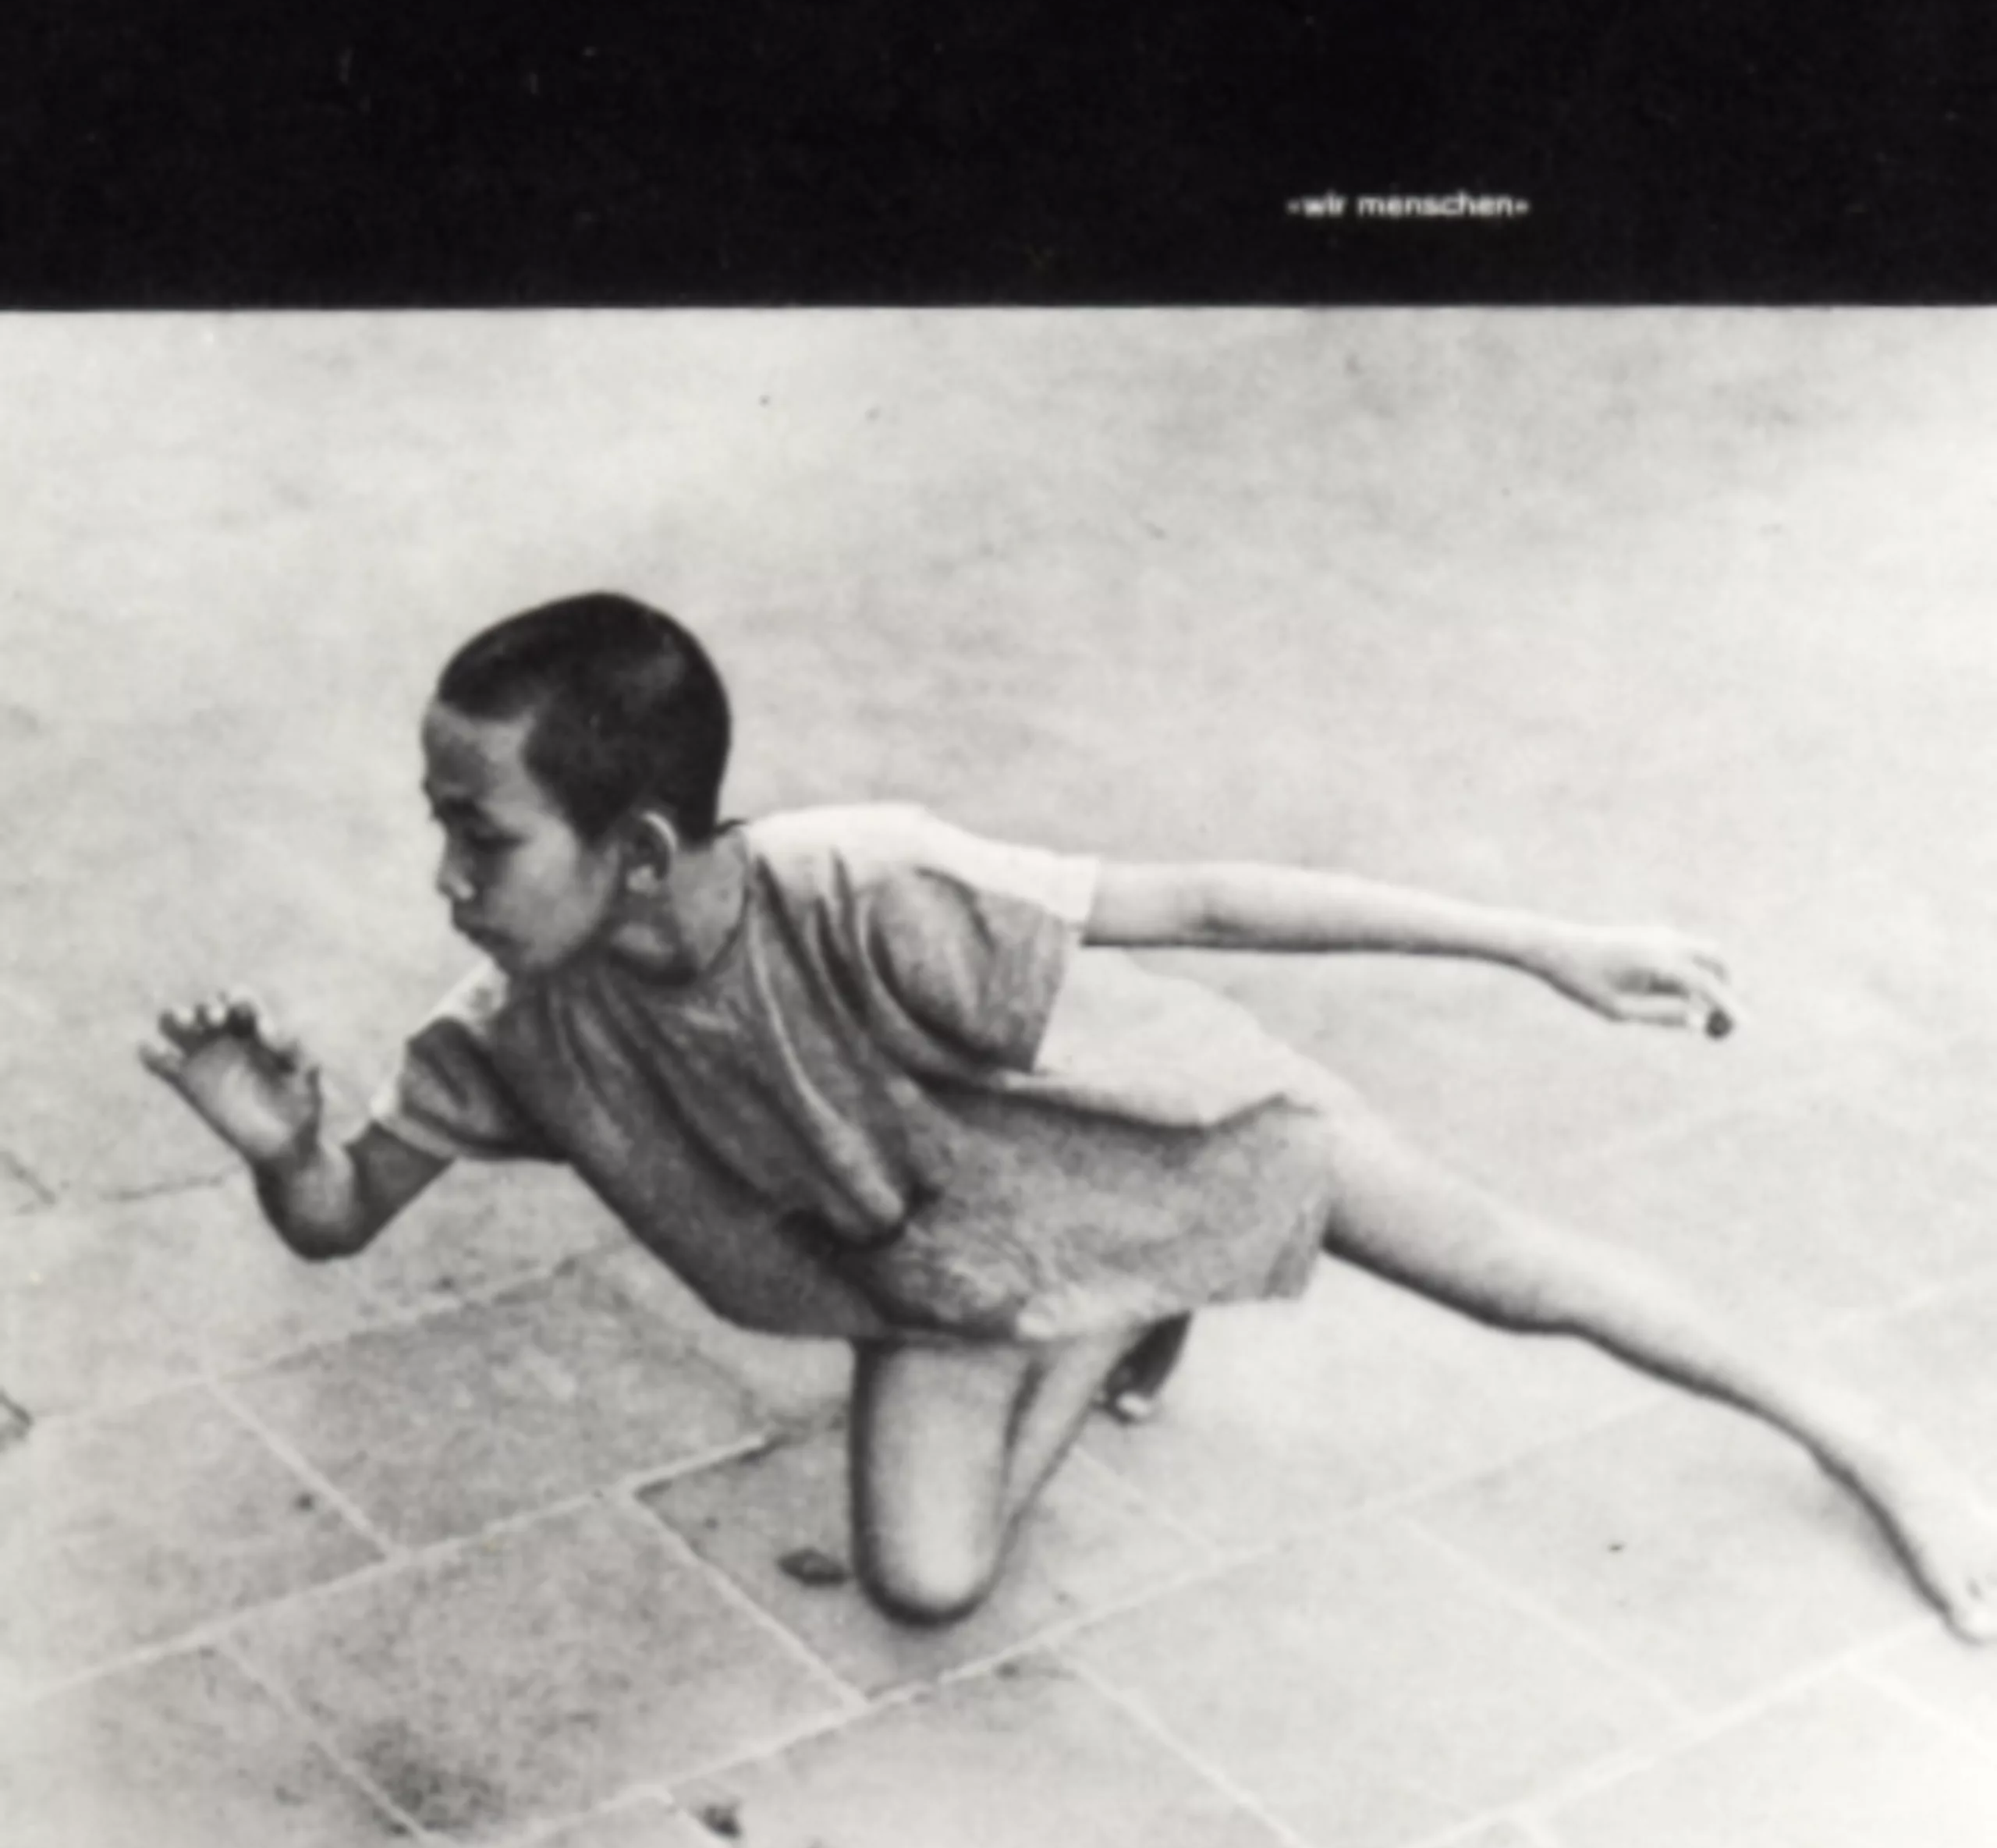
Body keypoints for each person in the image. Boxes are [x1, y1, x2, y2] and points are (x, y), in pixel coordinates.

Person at [143, 592, 1997, 1640]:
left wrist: (1540, 943)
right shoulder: (517, 1026)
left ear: (634, 849)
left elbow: (1197, 903)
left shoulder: (863, 879)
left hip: (1152, 1134)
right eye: (443, 826)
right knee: (926, 1583)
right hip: (946, 1272)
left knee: (1516, 1276)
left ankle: (1868, 1439)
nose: (445, 877)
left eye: (477, 834)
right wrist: (284, 1149)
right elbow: (339, 1215)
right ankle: (1102, 1315)